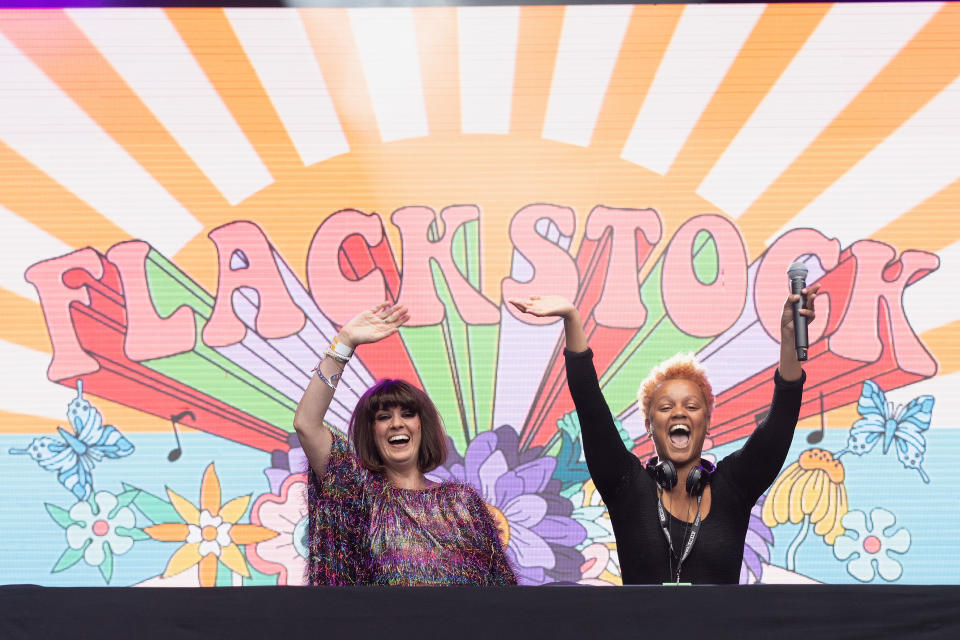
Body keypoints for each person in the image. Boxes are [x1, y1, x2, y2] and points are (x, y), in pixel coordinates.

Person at [509, 285, 818, 584]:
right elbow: (591, 409)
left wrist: (790, 342)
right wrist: (572, 319)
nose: (679, 413)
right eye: (666, 406)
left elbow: (778, 425)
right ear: (649, 425)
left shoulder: (733, 487)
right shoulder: (626, 486)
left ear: (705, 422)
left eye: (692, 406)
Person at [294, 302, 516, 586]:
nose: (397, 423)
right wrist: (344, 343)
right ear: (370, 432)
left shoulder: (463, 504)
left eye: (407, 414)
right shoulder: (359, 495)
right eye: (384, 417)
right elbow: (307, 424)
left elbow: (503, 592)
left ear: (422, 426)